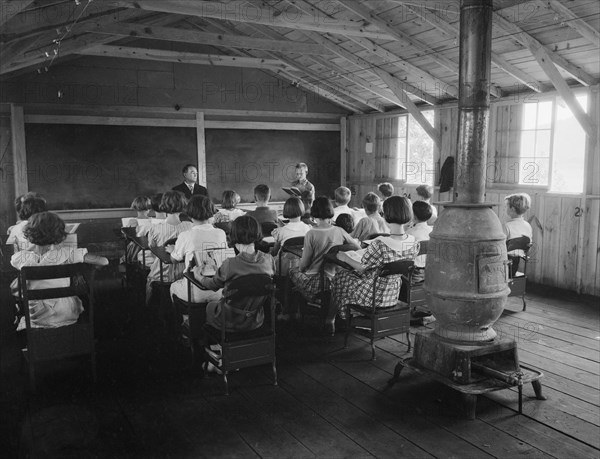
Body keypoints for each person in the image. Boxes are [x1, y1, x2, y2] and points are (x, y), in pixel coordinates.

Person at [329, 196, 418, 331]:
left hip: (372, 295)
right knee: (349, 276)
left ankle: (338, 319)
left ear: (386, 215)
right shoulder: (413, 243)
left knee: (340, 276)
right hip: (393, 294)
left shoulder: (380, 243)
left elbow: (362, 267)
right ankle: (352, 317)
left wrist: (345, 258)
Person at [11, 211, 108, 331]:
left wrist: (34, 243)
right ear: (59, 234)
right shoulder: (68, 253)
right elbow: (104, 261)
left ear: (29, 233)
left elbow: (25, 257)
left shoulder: (20, 258)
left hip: (37, 316)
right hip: (67, 313)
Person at [198, 215, 276, 332]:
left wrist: (199, 277)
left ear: (233, 235)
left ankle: (213, 342)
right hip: (256, 319)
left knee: (210, 306)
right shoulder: (269, 260)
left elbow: (212, 285)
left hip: (229, 320)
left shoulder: (230, 264)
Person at [289, 196, 359, 309]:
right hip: (335, 280)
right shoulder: (339, 230)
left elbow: (305, 264)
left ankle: (289, 313)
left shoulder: (311, 233)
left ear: (314, 212)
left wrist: (300, 268)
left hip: (315, 282)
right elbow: (357, 247)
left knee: (291, 272)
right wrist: (338, 249)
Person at [169, 195, 228, 303]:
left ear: (189, 213)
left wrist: (173, 250)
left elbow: (174, 260)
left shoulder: (185, 235)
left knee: (173, 286)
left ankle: (185, 317)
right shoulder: (221, 233)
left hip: (194, 292)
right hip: (219, 291)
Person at [145, 191, 194, 300]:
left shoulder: (155, 229)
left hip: (161, 275)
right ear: (183, 206)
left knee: (149, 277)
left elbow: (153, 250)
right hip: (184, 274)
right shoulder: (190, 226)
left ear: (163, 206)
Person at [271, 197, 311, 275]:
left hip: (284, 268)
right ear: (301, 209)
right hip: (303, 266)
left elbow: (275, 252)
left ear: (286, 211)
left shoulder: (281, 231)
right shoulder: (308, 228)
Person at [406, 201, 433, 284]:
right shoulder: (432, 231)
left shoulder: (410, 233)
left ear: (413, 215)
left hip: (413, 274)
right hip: (430, 272)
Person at [504, 192, 533, 259]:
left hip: (505, 261)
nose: (505, 208)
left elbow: (501, 247)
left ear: (512, 209)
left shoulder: (506, 226)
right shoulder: (527, 226)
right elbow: (529, 247)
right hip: (518, 260)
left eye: (506, 206)